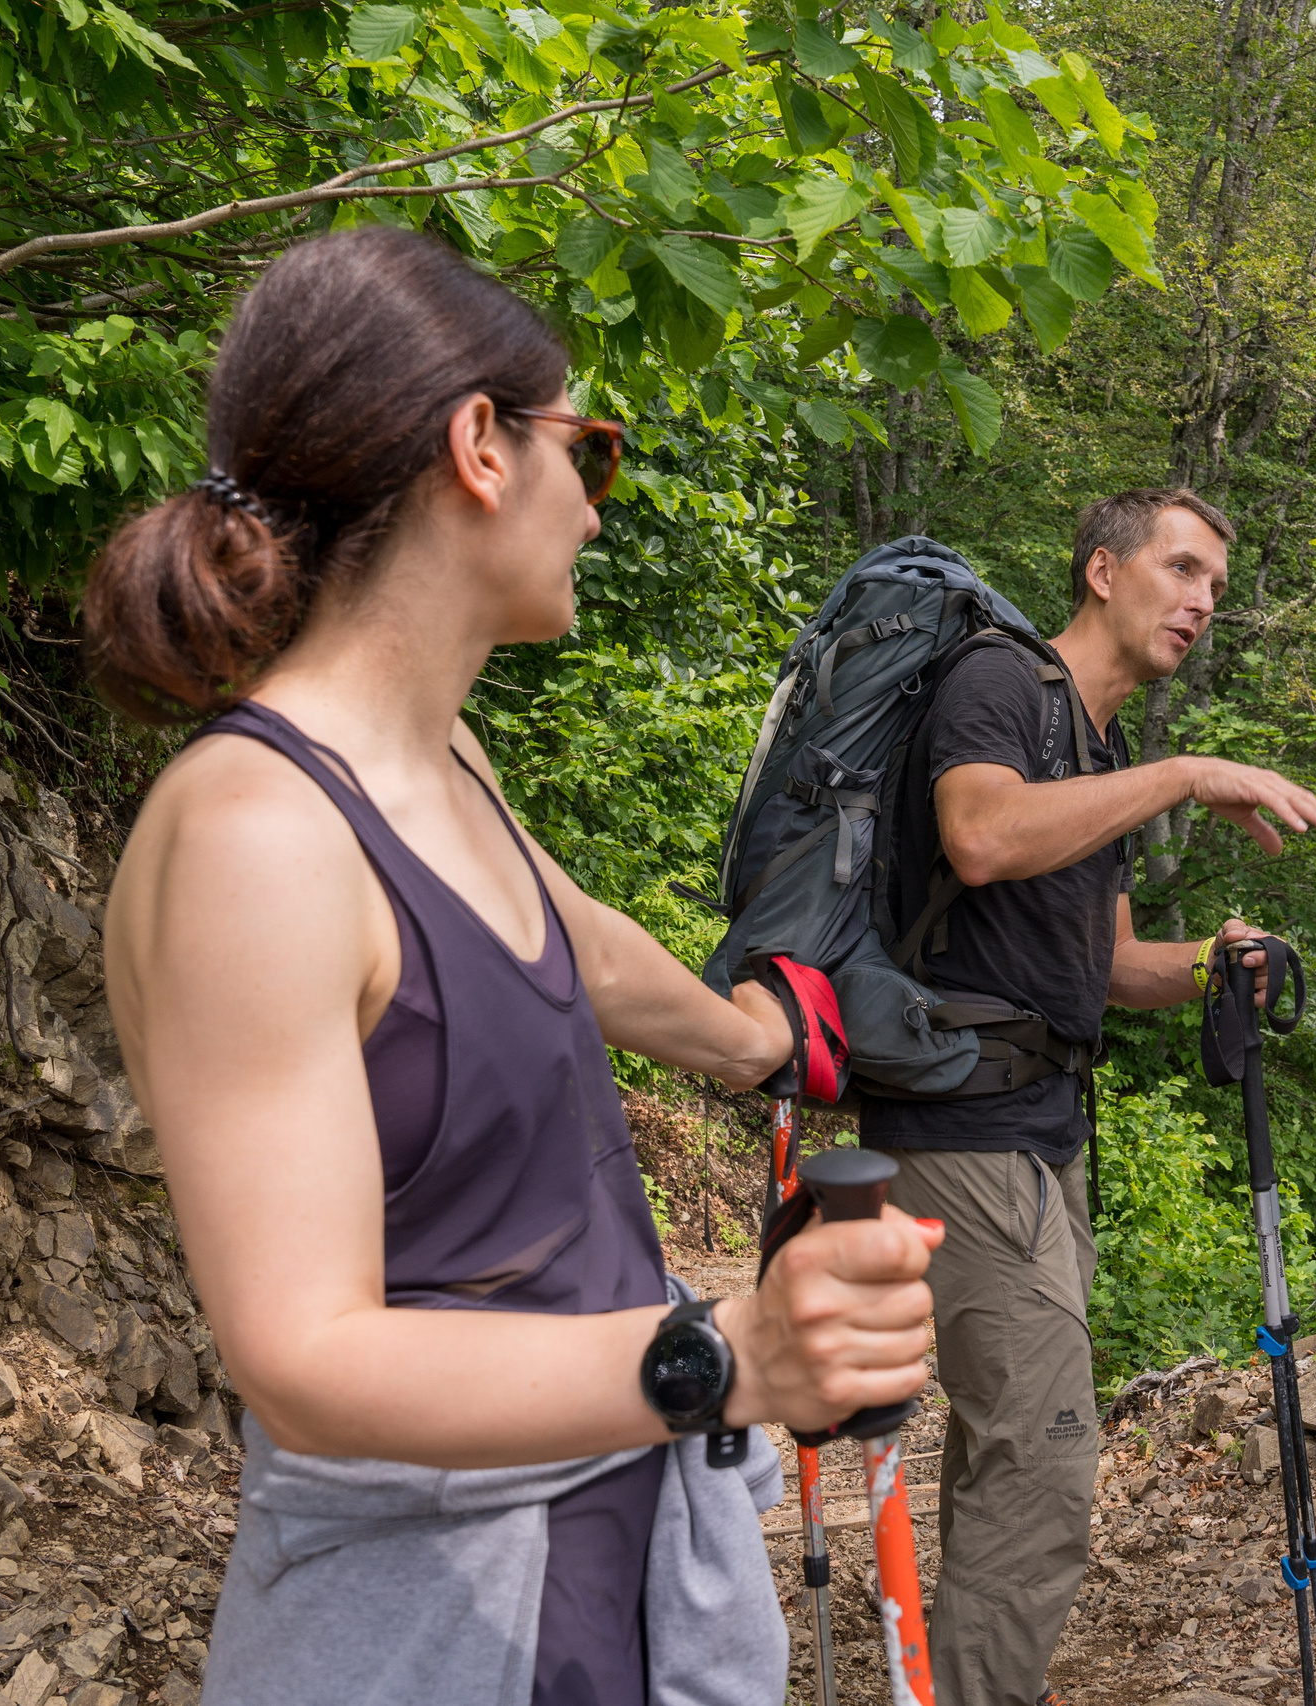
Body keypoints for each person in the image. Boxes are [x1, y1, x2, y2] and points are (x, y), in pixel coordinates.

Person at [90, 226, 941, 1706]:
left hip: (602, 1560)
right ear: (481, 445)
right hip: (426, 1621)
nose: (596, 513)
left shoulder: (436, 756)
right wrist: (721, 1357)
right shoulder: (256, 835)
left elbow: (573, 943)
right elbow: (300, 1351)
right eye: (587, 454)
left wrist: (756, 1038)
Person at [856, 487, 1316, 1706]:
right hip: (961, 1120)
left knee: (1003, 1447)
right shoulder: (999, 682)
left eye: (1216, 588)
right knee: (1046, 1460)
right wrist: (1187, 773)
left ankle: (963, 1679)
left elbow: (1110, 964)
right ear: (1100, 570)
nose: (1200, 601)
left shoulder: (1102, 749)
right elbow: (977, 833)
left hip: (1041, 1131)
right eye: (1181, 570)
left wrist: (1213, 965)